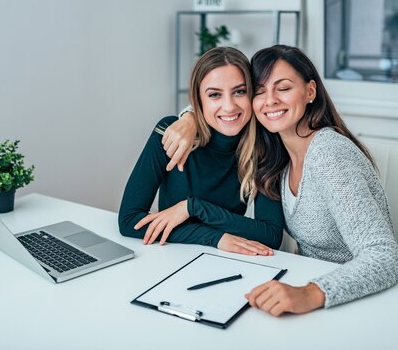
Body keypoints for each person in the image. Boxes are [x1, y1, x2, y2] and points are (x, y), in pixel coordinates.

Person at [162, 45, 398, 314]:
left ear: (310, 91)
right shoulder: (277, 156)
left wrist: (311, 292)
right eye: (259, 91)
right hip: (324, 299)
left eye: (284, 88)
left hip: (369, 301)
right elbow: (225, 101)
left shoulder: (328, 153)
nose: (270, 101)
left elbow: (385, 258)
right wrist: (191, 116)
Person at [118, 47, 284, 256]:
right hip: (167, 256)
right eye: (215, 95)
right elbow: (129, 221)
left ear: (251, 94)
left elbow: (271, 235)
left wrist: (192, 208)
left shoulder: (265, 146)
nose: (229, 106)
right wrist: (214, 237)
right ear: (199, 100)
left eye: (239, 91)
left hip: (225, 261)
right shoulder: (171, 134)